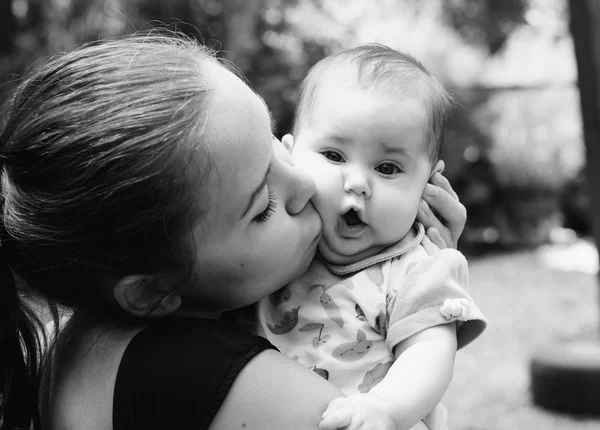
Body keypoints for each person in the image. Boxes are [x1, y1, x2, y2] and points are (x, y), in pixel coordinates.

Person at [0, 34, 467, 430]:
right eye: (263, 206)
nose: (307, 184)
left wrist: (410, 256)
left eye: (271, 150)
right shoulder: (214, 376)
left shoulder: (71, 336)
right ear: (150, 292)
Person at [256, 44, 487, 430]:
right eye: (333, 155)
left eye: (387, 167)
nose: (358, 182)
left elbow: (430, 352)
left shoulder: (417, 269)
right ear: (289, 156)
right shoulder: (273, 245)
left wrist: (385, 409)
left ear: (428, 183)